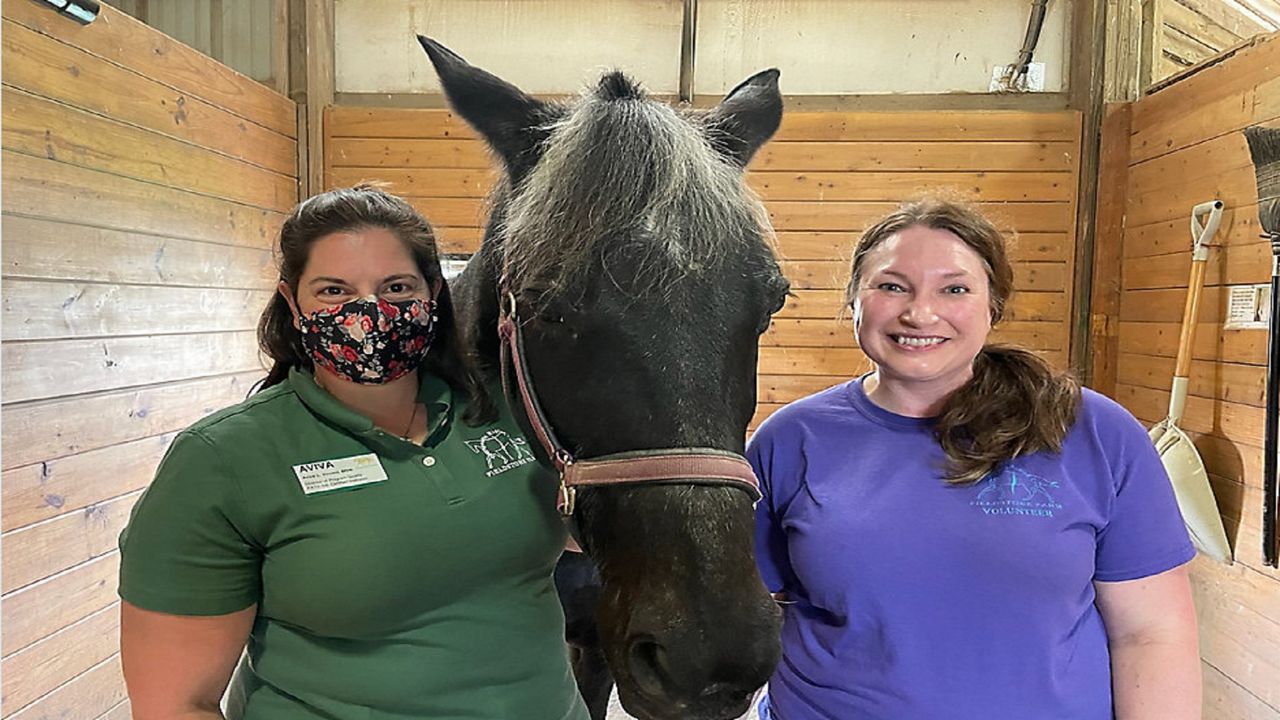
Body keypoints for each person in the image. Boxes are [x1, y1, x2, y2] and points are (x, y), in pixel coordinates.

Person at [118, 185, 589, 720]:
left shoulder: (505, 410)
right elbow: (175, 704)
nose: (369, 314)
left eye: (395, 287)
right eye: (334, 291)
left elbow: (596, 538)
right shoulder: (222, 460)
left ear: (434, 293)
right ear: (293, 302)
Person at [749, 198, 1201, 720]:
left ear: (993, 305)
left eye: (954, 288)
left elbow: (1150, 633)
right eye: (892, 286)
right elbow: (745, 609)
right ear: (854, 300)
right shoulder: (789, 440)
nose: (920, 312)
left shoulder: (1092, 432)